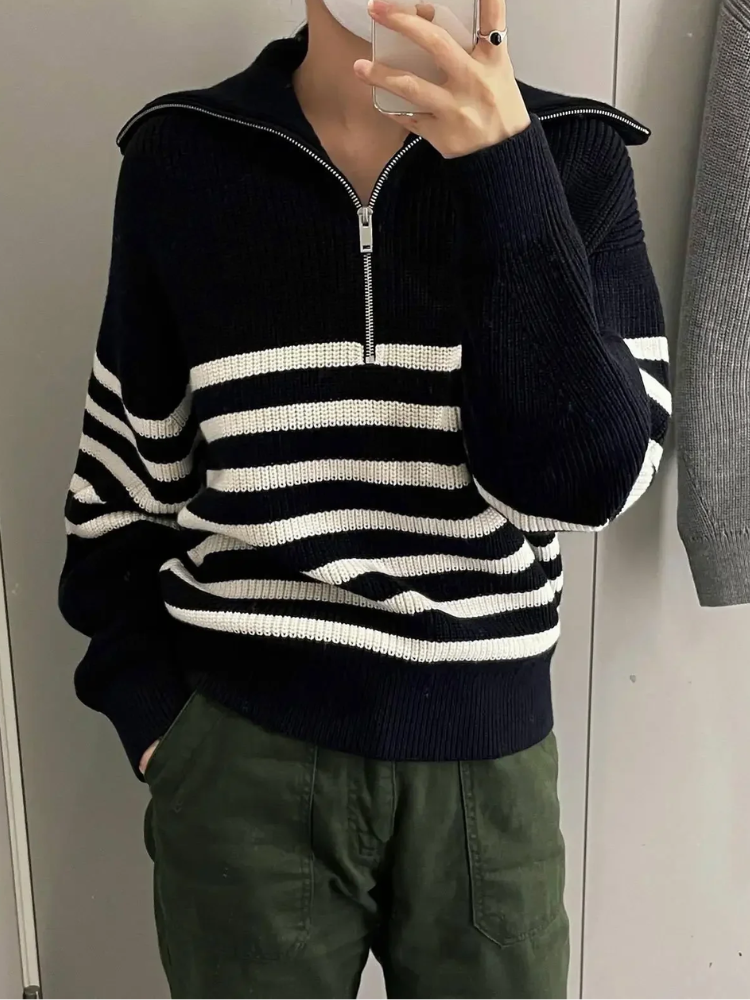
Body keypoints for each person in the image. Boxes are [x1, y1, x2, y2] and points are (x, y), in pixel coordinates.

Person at [59, 1, 669, 997]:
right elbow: (122, 483)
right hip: (242, 756)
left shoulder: (574, 156)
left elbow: (591, 482)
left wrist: (506, 172)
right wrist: (162, 729)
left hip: (488, 768)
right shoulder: (184, 157)